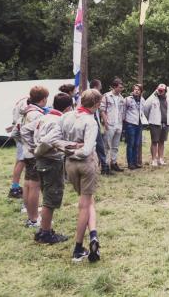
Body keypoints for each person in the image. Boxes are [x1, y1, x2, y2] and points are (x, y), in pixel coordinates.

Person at [61, 89, 103, 263]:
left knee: (88, 200)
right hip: (85, 163)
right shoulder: (90, 121)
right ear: (95, 104)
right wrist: (77, 149)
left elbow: (56, 140)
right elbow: (86, 150)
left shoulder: (66, 117)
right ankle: (78, 248)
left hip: (69, 164)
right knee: (84, 205)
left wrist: (68, 149)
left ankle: (93, 234)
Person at [33, 92, 74, 244]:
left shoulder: (43, 117)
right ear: (68, 108)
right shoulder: (58, 121)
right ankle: (45, 233)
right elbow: (47, 141)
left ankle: (45, 229)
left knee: (47, 195)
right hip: (51, 161)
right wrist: (39, 151)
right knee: (51, 198)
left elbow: (31, 134)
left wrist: (35, 150)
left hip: (42, 162)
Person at [18, 86, 50, 228]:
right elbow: (33, 133)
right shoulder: (37, 114)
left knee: (28, 183)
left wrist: (25, 145)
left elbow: (16, 132)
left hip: (26, 152)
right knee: (35, 186)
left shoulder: (26, 111)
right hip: (33, 153)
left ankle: (29, 210)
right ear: (43, 99)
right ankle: (33, 219)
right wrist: (34, 148)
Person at [144, 84, 169, 167]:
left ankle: (161, 159)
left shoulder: (168, 99)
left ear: (165, 91)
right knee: (154, 142)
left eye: (162, 90)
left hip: (165, 123)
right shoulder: (152, 98)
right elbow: (145, 108)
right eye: (158, 89)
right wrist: (150, 118)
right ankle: (154, 160)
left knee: (162, 142)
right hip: (155, 123)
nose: (160, 91)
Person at [100, 78, 125, 172]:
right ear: (114, 87)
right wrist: (105, 122)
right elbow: (102, 110)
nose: (121, 89)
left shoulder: (121, 98)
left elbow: (122, 111)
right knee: (106, 146)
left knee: (115, 146)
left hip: (118, 124)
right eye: (120, 87)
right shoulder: (106, 96)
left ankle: (113, 163)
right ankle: (105, 165)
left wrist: (121, 123)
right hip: (109, 124)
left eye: (122, 87)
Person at [7, 96, 29, 199]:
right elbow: (23, 119)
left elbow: (17, 120)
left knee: (19, 160)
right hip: (22, 134)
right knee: (22, 160)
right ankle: (14, 189)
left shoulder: (20, 101)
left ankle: (15, 186)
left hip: (19, 132)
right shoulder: (26, 102)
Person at [89, 79, 111, 174]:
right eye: (100, 85)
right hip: (91, 123)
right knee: (99, 146)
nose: (101, 86)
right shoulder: (91, 96)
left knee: (99, 146)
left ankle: (102, 166)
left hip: (95, 123)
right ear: (95, 86)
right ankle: (104, 167)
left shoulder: (92, 96)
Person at [124, 84, 146, 170]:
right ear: (133, 90)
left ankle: (135, 162)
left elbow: (143, 111)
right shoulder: (128, 99)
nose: (136, 91)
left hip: (139, 124)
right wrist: (124, 122)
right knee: (131, 144)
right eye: (135, 89)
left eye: (138, 90)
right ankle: (130, 163)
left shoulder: (143, 100)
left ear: (141, 91)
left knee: (136, 144)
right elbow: (123, 111)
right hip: (130, 123)